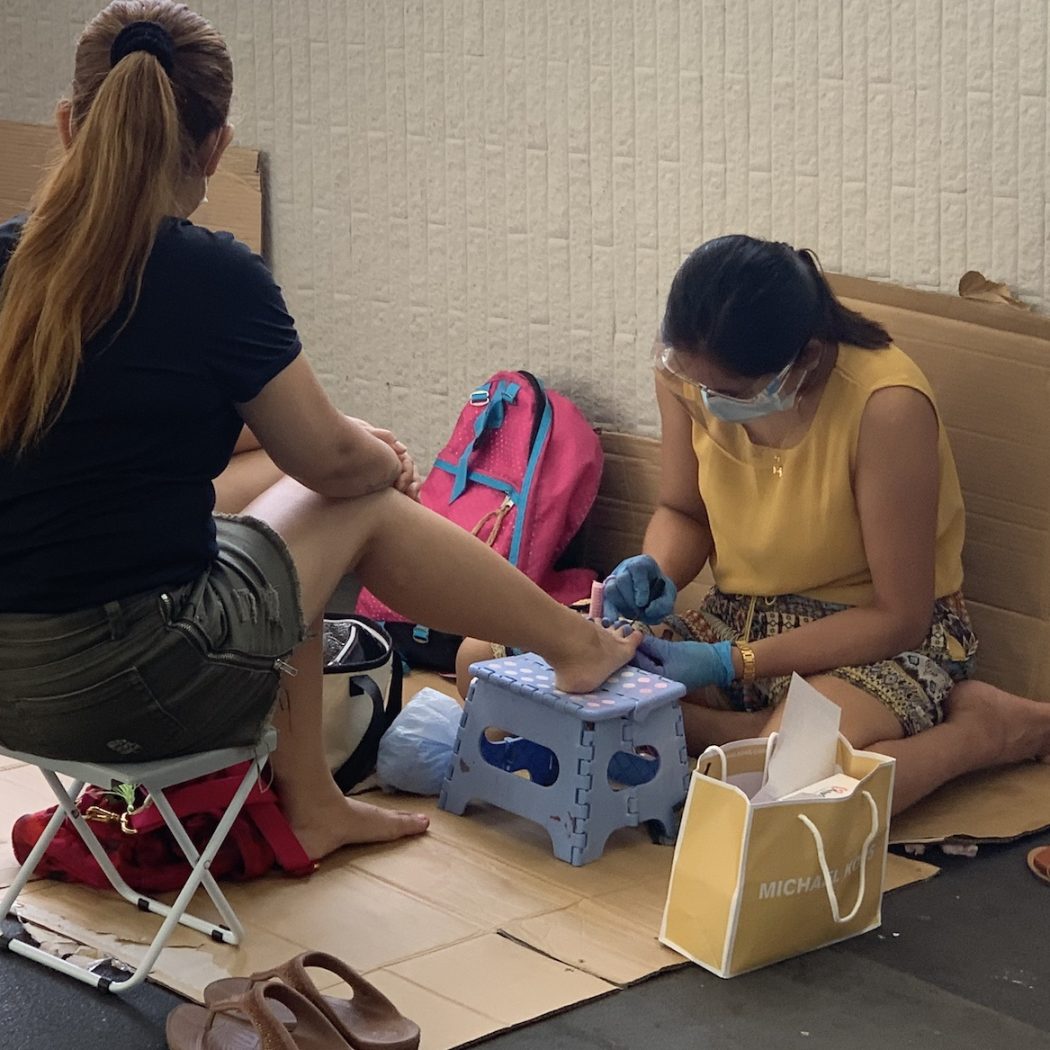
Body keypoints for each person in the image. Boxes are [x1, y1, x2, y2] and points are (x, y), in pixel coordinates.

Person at [0, 0, 639, 865]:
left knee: (275, 511)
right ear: (216, 146)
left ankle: (312, 801)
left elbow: (120, 441)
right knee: (353, 499)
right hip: (126, 688)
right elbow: (334, 463)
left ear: (72, 124)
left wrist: (338, 452)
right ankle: (579, 646)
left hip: (13, 688)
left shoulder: (11, 259)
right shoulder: (211, 275)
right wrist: (383, 455)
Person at [603, 234, 1050, 815]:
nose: (708, 404)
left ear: (806, 358)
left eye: (728, 394)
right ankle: (760, 731)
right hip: (739, 620)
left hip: (875, 641)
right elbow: (684, 512)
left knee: (788, 796)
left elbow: (900, 616)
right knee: (508, 666)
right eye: (697, 386)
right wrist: (653, 571)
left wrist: (730, 663)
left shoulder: (886, 406)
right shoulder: (687, 372)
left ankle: (980, 732)